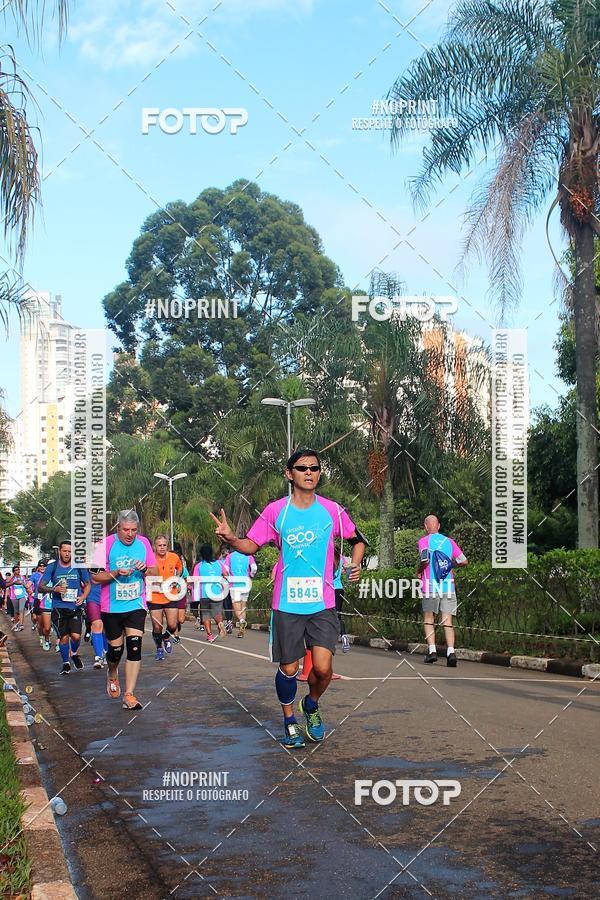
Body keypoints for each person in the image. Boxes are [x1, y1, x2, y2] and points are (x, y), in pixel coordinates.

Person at [211, 447, 367, 749]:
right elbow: (251, 545)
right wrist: (231, 538)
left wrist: (355, 564)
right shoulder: (276, 511)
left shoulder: (332, 510)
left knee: (323, 669)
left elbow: (357, 540)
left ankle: (311, 703)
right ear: (289, 474)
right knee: (290, 669)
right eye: (302, 468)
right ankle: (289, 721)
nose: (309, 473)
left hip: (322, 602)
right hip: (287, 603)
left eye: (314, 468)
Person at [92, 509, 157, 710]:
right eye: (126, 530)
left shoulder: (144, 543)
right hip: (112, 607)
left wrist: (145, 569)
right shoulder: (105, 545)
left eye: (133, 530)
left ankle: (129, 694)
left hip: (136, 604)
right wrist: (116, 573)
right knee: (116, 651)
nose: (130, 534)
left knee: (135, 646)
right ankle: (112, 673)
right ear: (118, 528)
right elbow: (95, 577)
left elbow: (154, 571)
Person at [417, 515, 468, 667]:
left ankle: (432, 651)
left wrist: (418, 571)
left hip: (430, 586)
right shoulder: (450, 542)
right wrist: (450, 565)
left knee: (429, 618)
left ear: (426, 527)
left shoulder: (424, 541)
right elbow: (464, 560)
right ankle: (451, 653)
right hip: (448, 586)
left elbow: (424, 560)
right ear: (438, 526)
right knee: (447, 621)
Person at [38, 542, 90, 674]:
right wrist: (54, 589)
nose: (67, 554)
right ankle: (66, 663)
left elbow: (87, 584)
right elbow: (41, 586)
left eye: (70, 551)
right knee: (64, 637)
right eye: (65, 551)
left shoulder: (79, 566)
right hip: (59, 607)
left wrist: (83, 596)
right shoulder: (52, 567)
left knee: (76, 636)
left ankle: (74, 653)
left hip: (75, 606)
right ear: (59, 552)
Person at [148, 535, 183, 661]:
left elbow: (180, 568)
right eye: (159, 545)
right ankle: (159, 648)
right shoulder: (150, 558)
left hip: (170, 595)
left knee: (173, 625)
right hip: (155, 596)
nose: (162, 548)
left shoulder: (174, 557)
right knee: (157, 626)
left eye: (164, 545)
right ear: (154, 547)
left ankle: (166, 637)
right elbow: (144, 572)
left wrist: (177, 578)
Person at [191, 544, 227, 642]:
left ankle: (210, 635)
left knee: (206, 614)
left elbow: (195, 580)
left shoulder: (199, 566)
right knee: (217, 612)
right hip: (217, 592)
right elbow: (226, 575)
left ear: (201, 554)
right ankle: (220, 623)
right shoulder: (219, 564)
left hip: (204, 594)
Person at [224, 547, 257, 639]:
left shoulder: (230, 556)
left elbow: (225, 569)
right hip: (246, 584)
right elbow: (254, 568)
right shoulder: (249, 556)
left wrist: (228, 578)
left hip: (234, 585)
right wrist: (251, 575)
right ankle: (241, 628)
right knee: (243, 606)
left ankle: (241, 621)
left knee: (236, 605)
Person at [87, 569, 109, 668]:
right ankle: (99, 657)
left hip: (108, 597)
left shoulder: (110, 561)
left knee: (106, 628)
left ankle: (107, 652)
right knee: (97, 624)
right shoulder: (86, 563)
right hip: (92, 597)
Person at [333, 547, 352, 653]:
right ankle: (344, 635)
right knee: (338, 615)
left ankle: (330, 643)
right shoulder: (341, 558)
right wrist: (348, 579)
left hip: (328, 589)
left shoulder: (326, 556)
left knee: (326, 616)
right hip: (339, 588)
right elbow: (348, 569)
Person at [5, 565, 32, 632]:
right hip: (14, 596)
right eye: (16, 570)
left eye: (18, 569)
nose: (18, 571)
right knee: (16, 611)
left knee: (21, 609)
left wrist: (28, 589)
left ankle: (21, 625)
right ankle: (16, 624)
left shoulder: (22, 577)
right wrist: (13, 581)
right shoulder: (11, 578)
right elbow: (7, 584)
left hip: (22, 595)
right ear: (13, 571)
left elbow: (26, 585)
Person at [172, 541, 189, 638]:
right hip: (170, 595)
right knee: (173, 616)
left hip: (181, 595)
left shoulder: (182, 569)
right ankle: (175, 635)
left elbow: (187, 579)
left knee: (181, 619)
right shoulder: (168, 569)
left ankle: (177, 624)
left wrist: (184, 587)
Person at [29, 560, 46, 636]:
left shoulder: (49, 574)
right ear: (38, 567)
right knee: (39, 620)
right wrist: (29, 591)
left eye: (44, 566)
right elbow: (28, 585)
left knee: (47, 621)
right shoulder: (34, 575)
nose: (42, 567)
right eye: (40, 566)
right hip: (38, 599)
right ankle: (41, 636)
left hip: (48, 600)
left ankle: (47, 637)